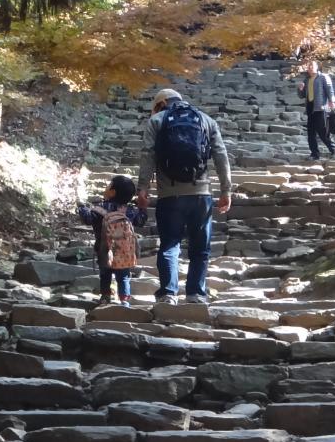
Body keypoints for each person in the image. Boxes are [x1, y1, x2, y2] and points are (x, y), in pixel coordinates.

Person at [136, 87, 232, 304]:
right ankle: (196, 294)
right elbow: (220, 154)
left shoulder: (157, 121)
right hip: (201, 195)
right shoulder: (205, 120)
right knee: (200, 249)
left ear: (160, 104)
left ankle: (168, 294)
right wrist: (226, 190)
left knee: (170, 244)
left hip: (169, 196)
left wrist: (142, 188)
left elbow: (147, 155)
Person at [79, 174, 147, 306]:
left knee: (105, 274)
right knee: (124, 277)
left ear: (112, 192)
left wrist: (82, 207)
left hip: (104, 249)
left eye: (108, 185)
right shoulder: (129, 211)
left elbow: (87, 218)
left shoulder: (100, 208)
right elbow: (141, 221)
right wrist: (143, 207)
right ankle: (124, 300)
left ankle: (105, 297)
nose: (106, 187)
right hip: (125, 251)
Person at [296, 59, 335, 159]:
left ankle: (334, 148)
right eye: (308, 66)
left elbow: (330, 90)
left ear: (316, 67)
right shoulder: (306, 80)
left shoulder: (323, 77)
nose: (310, 68)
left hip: (321, 107)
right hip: (310, 108)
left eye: (312, 65)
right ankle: (314, 154)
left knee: (322, 131)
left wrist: (332, 101)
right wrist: (300, 89)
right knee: (310, 133)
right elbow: (302, 96)